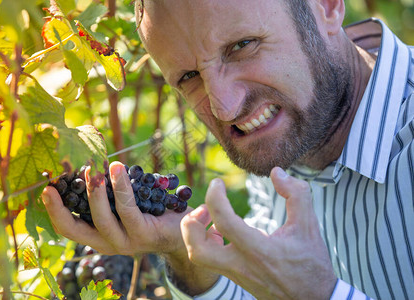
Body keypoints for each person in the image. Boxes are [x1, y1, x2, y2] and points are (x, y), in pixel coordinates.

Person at [42, 0, 414, 299]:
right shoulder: (281, 139)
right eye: (189, 77)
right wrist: (184, 254)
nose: (225, 108)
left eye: (241, 46)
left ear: (328, 6)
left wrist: (320, 295)